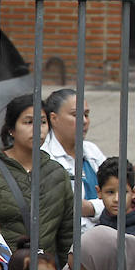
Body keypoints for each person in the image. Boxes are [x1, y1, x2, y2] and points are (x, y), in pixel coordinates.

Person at [0, 99, 74, 260]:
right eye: (28, 122)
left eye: (42, 122)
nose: (37, 129)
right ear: (11, 130)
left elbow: (67, 234)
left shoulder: (57, 173)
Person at [41, 88, 108, 232]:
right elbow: (63, 208)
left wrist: (89, 207)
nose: (84, 121)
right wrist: (103, 205)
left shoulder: (92, 150)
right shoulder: (45, 156)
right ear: (54, 118)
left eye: (86, 114)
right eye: (76, 115)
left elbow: (119, 197)